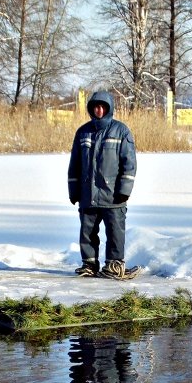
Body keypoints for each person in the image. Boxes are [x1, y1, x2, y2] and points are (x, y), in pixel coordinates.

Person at [68, 90, 138, 280]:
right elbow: (74, 164)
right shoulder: (82, 132)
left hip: (113, 196)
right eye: (95, 107)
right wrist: (74, 190)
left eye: (102, 107)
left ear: (109, 109)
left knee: (115, 232)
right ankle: (89, 264)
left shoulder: (121, 131)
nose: (98, 110)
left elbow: (129, 164)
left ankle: (114, 265)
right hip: (87, 194)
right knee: (87, 232)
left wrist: (124, 191)